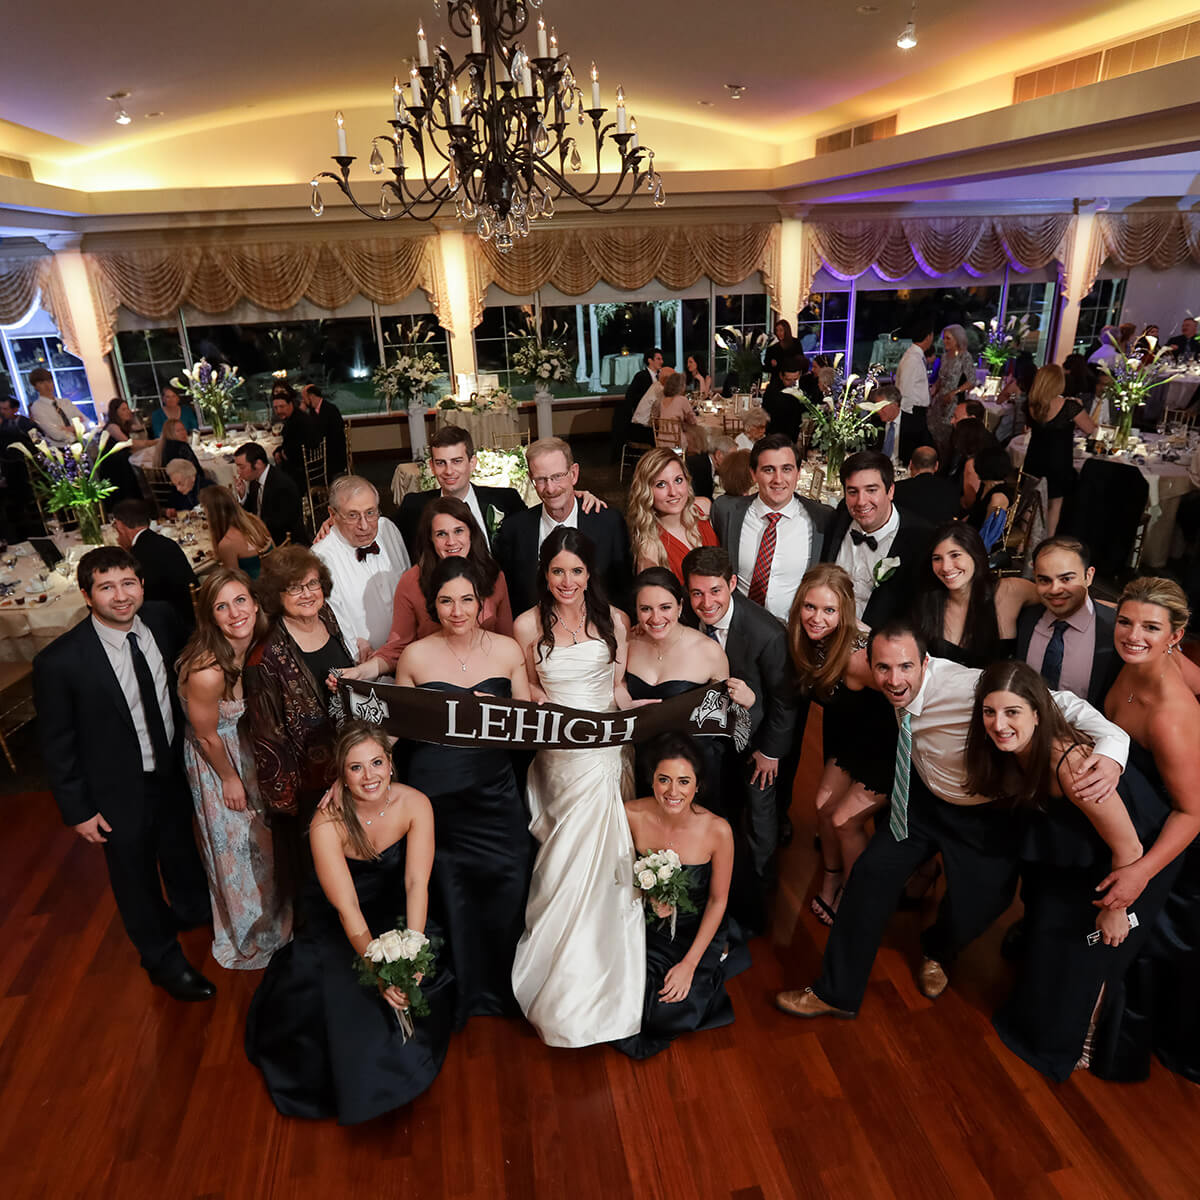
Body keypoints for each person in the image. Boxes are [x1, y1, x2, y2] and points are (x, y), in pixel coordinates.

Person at [775, 619, 1129, 1020]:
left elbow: (1062, 703)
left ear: (925, 663)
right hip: (920, 799)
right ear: (870, 666)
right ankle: (835, 993)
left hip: (984, 813)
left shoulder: (968, 688)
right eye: (883, 668)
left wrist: (1114, 748)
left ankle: (937, 951)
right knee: (868, 879)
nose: (894, 680)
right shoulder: (880, 676)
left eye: (906, 667)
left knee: (984, 903)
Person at [965, 661, 1175, 1081]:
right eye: (990, 712)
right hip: (1081, 848)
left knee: (1090, 952)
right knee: (1049, 939)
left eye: (1012, 713)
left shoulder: (1071, 765)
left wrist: (1116, 909)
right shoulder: (1012, 750)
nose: (999, 724)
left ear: (1038, 714)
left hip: (1130, 856)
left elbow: (1129, 847)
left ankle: (1088, 1036)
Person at [245, 721, 453, 1124]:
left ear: (391, 764)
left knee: (425, 977)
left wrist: (410, 953)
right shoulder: (328, 824)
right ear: (341, 775)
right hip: (344, 919)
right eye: (355, 768)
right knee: (348, 1003)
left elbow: (415, 883)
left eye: (376, 762)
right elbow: (348, 910)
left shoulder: (416, 804)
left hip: (395, 906)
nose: (369, 775)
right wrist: (380, 971)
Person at [33, 547, 214, 1000]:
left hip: (172, 770)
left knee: (180, 850)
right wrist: (77, 810)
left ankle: (193, 912)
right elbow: (57, 744)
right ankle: (161, 960)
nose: (120, 596)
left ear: (142, 586)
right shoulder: (61, 662)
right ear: (86, 594)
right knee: (135, 879)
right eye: (106, 587)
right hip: (116, 790)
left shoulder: (162, 619)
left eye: (128, 583)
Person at [509, 527, 644, 1046]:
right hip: (558, 756)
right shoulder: (525, 626)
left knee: (609, 855)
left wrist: (637, 713)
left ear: (591, 574)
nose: (567, 581)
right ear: (545, 574)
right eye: (557, 571)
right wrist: (537, 705)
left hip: (606, 751)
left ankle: (609, 978)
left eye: (577, 571)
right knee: (558, 863)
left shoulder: (616, 621)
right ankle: (552, 969)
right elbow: (531, 691)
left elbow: (617, 688)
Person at [393, 557, 533, 1025]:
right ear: (433, 605)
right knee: (448, 890)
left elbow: (530, 724)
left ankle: (505, 988)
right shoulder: (415, 657)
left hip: (495, 790)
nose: (457, 610)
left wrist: (507, 715)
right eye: (446, 601)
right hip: (437, 793)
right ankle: (461, 994)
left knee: (510, 879)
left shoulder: (509, 651)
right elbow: (396, 731)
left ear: (483, 604)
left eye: (466, 600)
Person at [1092, 577, 1200, 1083]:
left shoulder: (1172, 718)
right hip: (1126, 815)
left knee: (1138, 945)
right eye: (1127, 621)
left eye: (1151, 628)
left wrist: (1138, 873)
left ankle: (1103, 1042)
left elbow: (1192, 814)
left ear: (1175, 636)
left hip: (1167, 833)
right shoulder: (1140, 661)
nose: (1133, 635)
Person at [178, 568, 292, 969]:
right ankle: (251, 933)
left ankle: (278, 922)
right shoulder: (207, 671)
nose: (234, 613)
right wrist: (230, 779)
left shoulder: (260, 642)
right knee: (238, 852)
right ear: (210, 618)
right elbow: (206, 736)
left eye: (240, 600)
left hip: (250, 749)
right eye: (221, 607)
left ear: (255, 602)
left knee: (265, 845)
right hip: (217, 761)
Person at [613, 733, 747, 1060]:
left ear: (697, 785)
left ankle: (714, 965)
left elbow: (718, 901)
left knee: (665, 1014)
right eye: (664, 780)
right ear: (652, 781)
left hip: (694, 931)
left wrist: (689, 965)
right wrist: (645, 894)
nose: (673, 792)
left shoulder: (718, 830)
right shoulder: (630, 815)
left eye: (684, 781)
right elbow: (612, 874)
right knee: (623, 1008)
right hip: (646, 928)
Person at [683, 546, 797, 913]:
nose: (706, 602)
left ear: (732, 583)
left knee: (760, 822)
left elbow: (784, 701)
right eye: (697, 592)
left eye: (715, 590)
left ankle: (757, 901)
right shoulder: (683, 616)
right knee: (715, 809)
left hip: (757, 742)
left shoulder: (767, 633)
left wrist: (770, 752)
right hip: (709, 741)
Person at [787, 564, 895, 925]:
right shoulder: (808, 640)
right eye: (810, 607)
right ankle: (832, 874)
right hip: (853, 742)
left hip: (886, 749)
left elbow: (906, 696)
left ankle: (856, 889)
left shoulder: (858, 657)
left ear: (844, 611)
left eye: (829, 610)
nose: (817, 618)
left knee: (844, 819)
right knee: (821, 806)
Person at [244, 545, 355, 894]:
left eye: (312, 584)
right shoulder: (265, 657)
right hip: (307, 784)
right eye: (294, 587)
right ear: (277, 595)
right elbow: (268, 740)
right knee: (319, 875)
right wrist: (288, 805)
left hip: (349, 764)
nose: (307, 594)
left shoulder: (328, 618)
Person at [626, 566, 755, 803]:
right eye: (646, 609)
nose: (656, 618)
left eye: (665, 607)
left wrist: (746, 702)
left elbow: (726, 722)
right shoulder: (627, 644)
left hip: (696, 769)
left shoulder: (709, 652)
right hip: (643, 763)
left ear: (680, 606)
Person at [350, 497, 513, 678]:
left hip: (488, 679)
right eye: (441, 534)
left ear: (471, 534)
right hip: (434, 681)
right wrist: (359, 673)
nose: (451, 542)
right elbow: (397, 647)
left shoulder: (494, 576)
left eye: (458, 531)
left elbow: (508, 642)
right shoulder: (411, 582)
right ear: (430, 539)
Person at [493, 437, 633, 616]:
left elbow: (624, 591)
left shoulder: (609, 523)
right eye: (541, 479)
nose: (550, 488)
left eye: (557, 477)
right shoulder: (515, 530)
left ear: (574, 474)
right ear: (530, 479)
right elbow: (510, 598)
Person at [711, 434, 830, 624]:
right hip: (739, 625)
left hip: (793, 632)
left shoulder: (822, 518)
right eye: (768, 470)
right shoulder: (725, 511)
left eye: (787, 469)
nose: (778, 479)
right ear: (753, 474)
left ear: (798, 473)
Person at [821, 450, 929, 627]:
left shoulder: (920, 539)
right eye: (853, 491)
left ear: (891, 490)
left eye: (871, 490)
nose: (861, 501)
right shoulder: (836, 521)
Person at [311, 475, 411, 662]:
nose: (364, 525)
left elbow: (409, 587)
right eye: (352, 515)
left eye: (370, 512)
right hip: (365, 663)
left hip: (409, 651)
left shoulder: (388, 529)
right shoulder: (320, 558)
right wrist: (358, 651)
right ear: (332, 515)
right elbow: (333, 622)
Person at [1015, 536, 1120, 706]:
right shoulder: (1024, 618)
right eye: (1044, 580)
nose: (1055, 589)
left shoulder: (1115, 630)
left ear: (1089, 576)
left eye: (1066, 579)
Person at [913, 522, 1035, 667]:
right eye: (937, 558)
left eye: (955, 555)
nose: (945, 567)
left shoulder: (1010, 590)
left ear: (975, 555)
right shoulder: (927, 602)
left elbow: (1056, 596)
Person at [397, 425, 524, 557]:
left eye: (456, 461)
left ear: (472, 463)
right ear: (432, 467)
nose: (449, 471)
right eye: (441, 463)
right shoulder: (413, 507)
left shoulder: (507, 500)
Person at [1023, 363, 1096, 534]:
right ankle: (1046, 543)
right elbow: (1091, 429)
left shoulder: (1032, 404)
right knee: (1055, 505)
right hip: (1058, 462)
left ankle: (1024, 543)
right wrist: (1079, 407)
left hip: (1034, 458)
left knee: (1031, 502)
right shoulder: (1069, 406)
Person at [628, 448, 717, 579]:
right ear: (646, 492)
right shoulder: (650, 551)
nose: (673, 492)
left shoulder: (703, 508)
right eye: (661, 484)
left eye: (678, 480)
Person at [112, 497, 199, 628]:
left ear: (122, 526)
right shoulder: (167, 542)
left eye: (117, 530)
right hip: (194, 614)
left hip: (170, 628)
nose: (117, 537)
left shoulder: (134, 559)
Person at [234, 441, 307, 547]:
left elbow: (281, 524)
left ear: (258, 464)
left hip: (284, 544)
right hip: (263, 536)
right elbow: (253, 512)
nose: (238, 472)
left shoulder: (282, 485)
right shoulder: (254, 481)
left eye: (242, 467)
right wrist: (243, 496)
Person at [200, 484, 273, 578]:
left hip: (256, 588)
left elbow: (235, 581)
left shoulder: (227, 543)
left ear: (213, 515)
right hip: (273, 576)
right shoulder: (254, 520)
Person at [928, 325, 974, 452]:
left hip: (953, 401)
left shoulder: (965, 357)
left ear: (957, 339)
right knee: (934, 432)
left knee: (948, 436)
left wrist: (954, 392)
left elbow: (971, 381)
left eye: (948, 339)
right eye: (944, 338)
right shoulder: (944, 356)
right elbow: (941, 378)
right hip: (940, 399)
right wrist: (935, 387)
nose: (944, 341)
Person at [612, 347, 664, 458]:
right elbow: (631, 398)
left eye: (661, 359)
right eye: (658, 359)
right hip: (643, 423)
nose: (661, 362)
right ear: (650, 360)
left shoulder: (662, 377)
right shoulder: (641, 377)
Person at [896, 324, 936, 462]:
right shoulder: (912, 359)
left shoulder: (916, 356)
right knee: (912, 453)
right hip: (911, 413)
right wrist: (906, 419)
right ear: (928, 337)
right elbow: (905, 390)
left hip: (915, 412)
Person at [893, 446, 961, 525]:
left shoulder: (897, 489)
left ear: (910, 464)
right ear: (936, 466)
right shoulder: (951, 490)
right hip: (940, 535)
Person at [271, 383, 317, 491]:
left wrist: (282, 454)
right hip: (304, 465)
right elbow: (289, 445)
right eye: (276, 408)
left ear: (290, 404)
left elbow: (296, 451)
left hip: (304, 471)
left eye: (282, 407)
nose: (278, 411)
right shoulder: (294, 417)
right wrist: (279, 451)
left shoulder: (298, 421)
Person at [28, 367, 90, 445]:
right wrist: (77, 426)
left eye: (49, 381)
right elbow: (56, 434)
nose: (47, 386)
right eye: (41, 383)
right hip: (62, 449)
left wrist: (69, 428)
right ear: (35, 387)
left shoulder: (65, 402)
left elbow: (87, 422)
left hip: (82, 443)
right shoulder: (37, 407)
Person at [962, 446, 1016, 534]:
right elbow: (974, 514)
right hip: (970, 532)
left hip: (977, 540)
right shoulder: (985, 485)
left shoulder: (998, 497)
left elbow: (988, 533)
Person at [299, 381, 347, 478]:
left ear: (311, 396)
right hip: (321, 451)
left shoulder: (330, 409)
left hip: (333, 455)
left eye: (304, 399)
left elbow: (334, 435)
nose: (303, 402)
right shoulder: (313, 411)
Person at [760, 358, 804, 445]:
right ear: (781, 376)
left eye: (795, 379)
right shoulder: (772, 391)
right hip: (775, 437)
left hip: (793, 435)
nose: (792, 383)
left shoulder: (802, 387)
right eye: (788, 380)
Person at [687, 435, 734, 502]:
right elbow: (703, 497)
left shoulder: (707, 461)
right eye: (732, 457)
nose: (733, 462)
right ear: (719, 455)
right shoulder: (699, 467)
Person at [656, 370, 697, 435]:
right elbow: (693, 421)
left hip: (662, 440)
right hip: (675, 440)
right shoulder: (682, 399)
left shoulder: (663, 400)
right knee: (694, 436)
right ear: (681, 386)